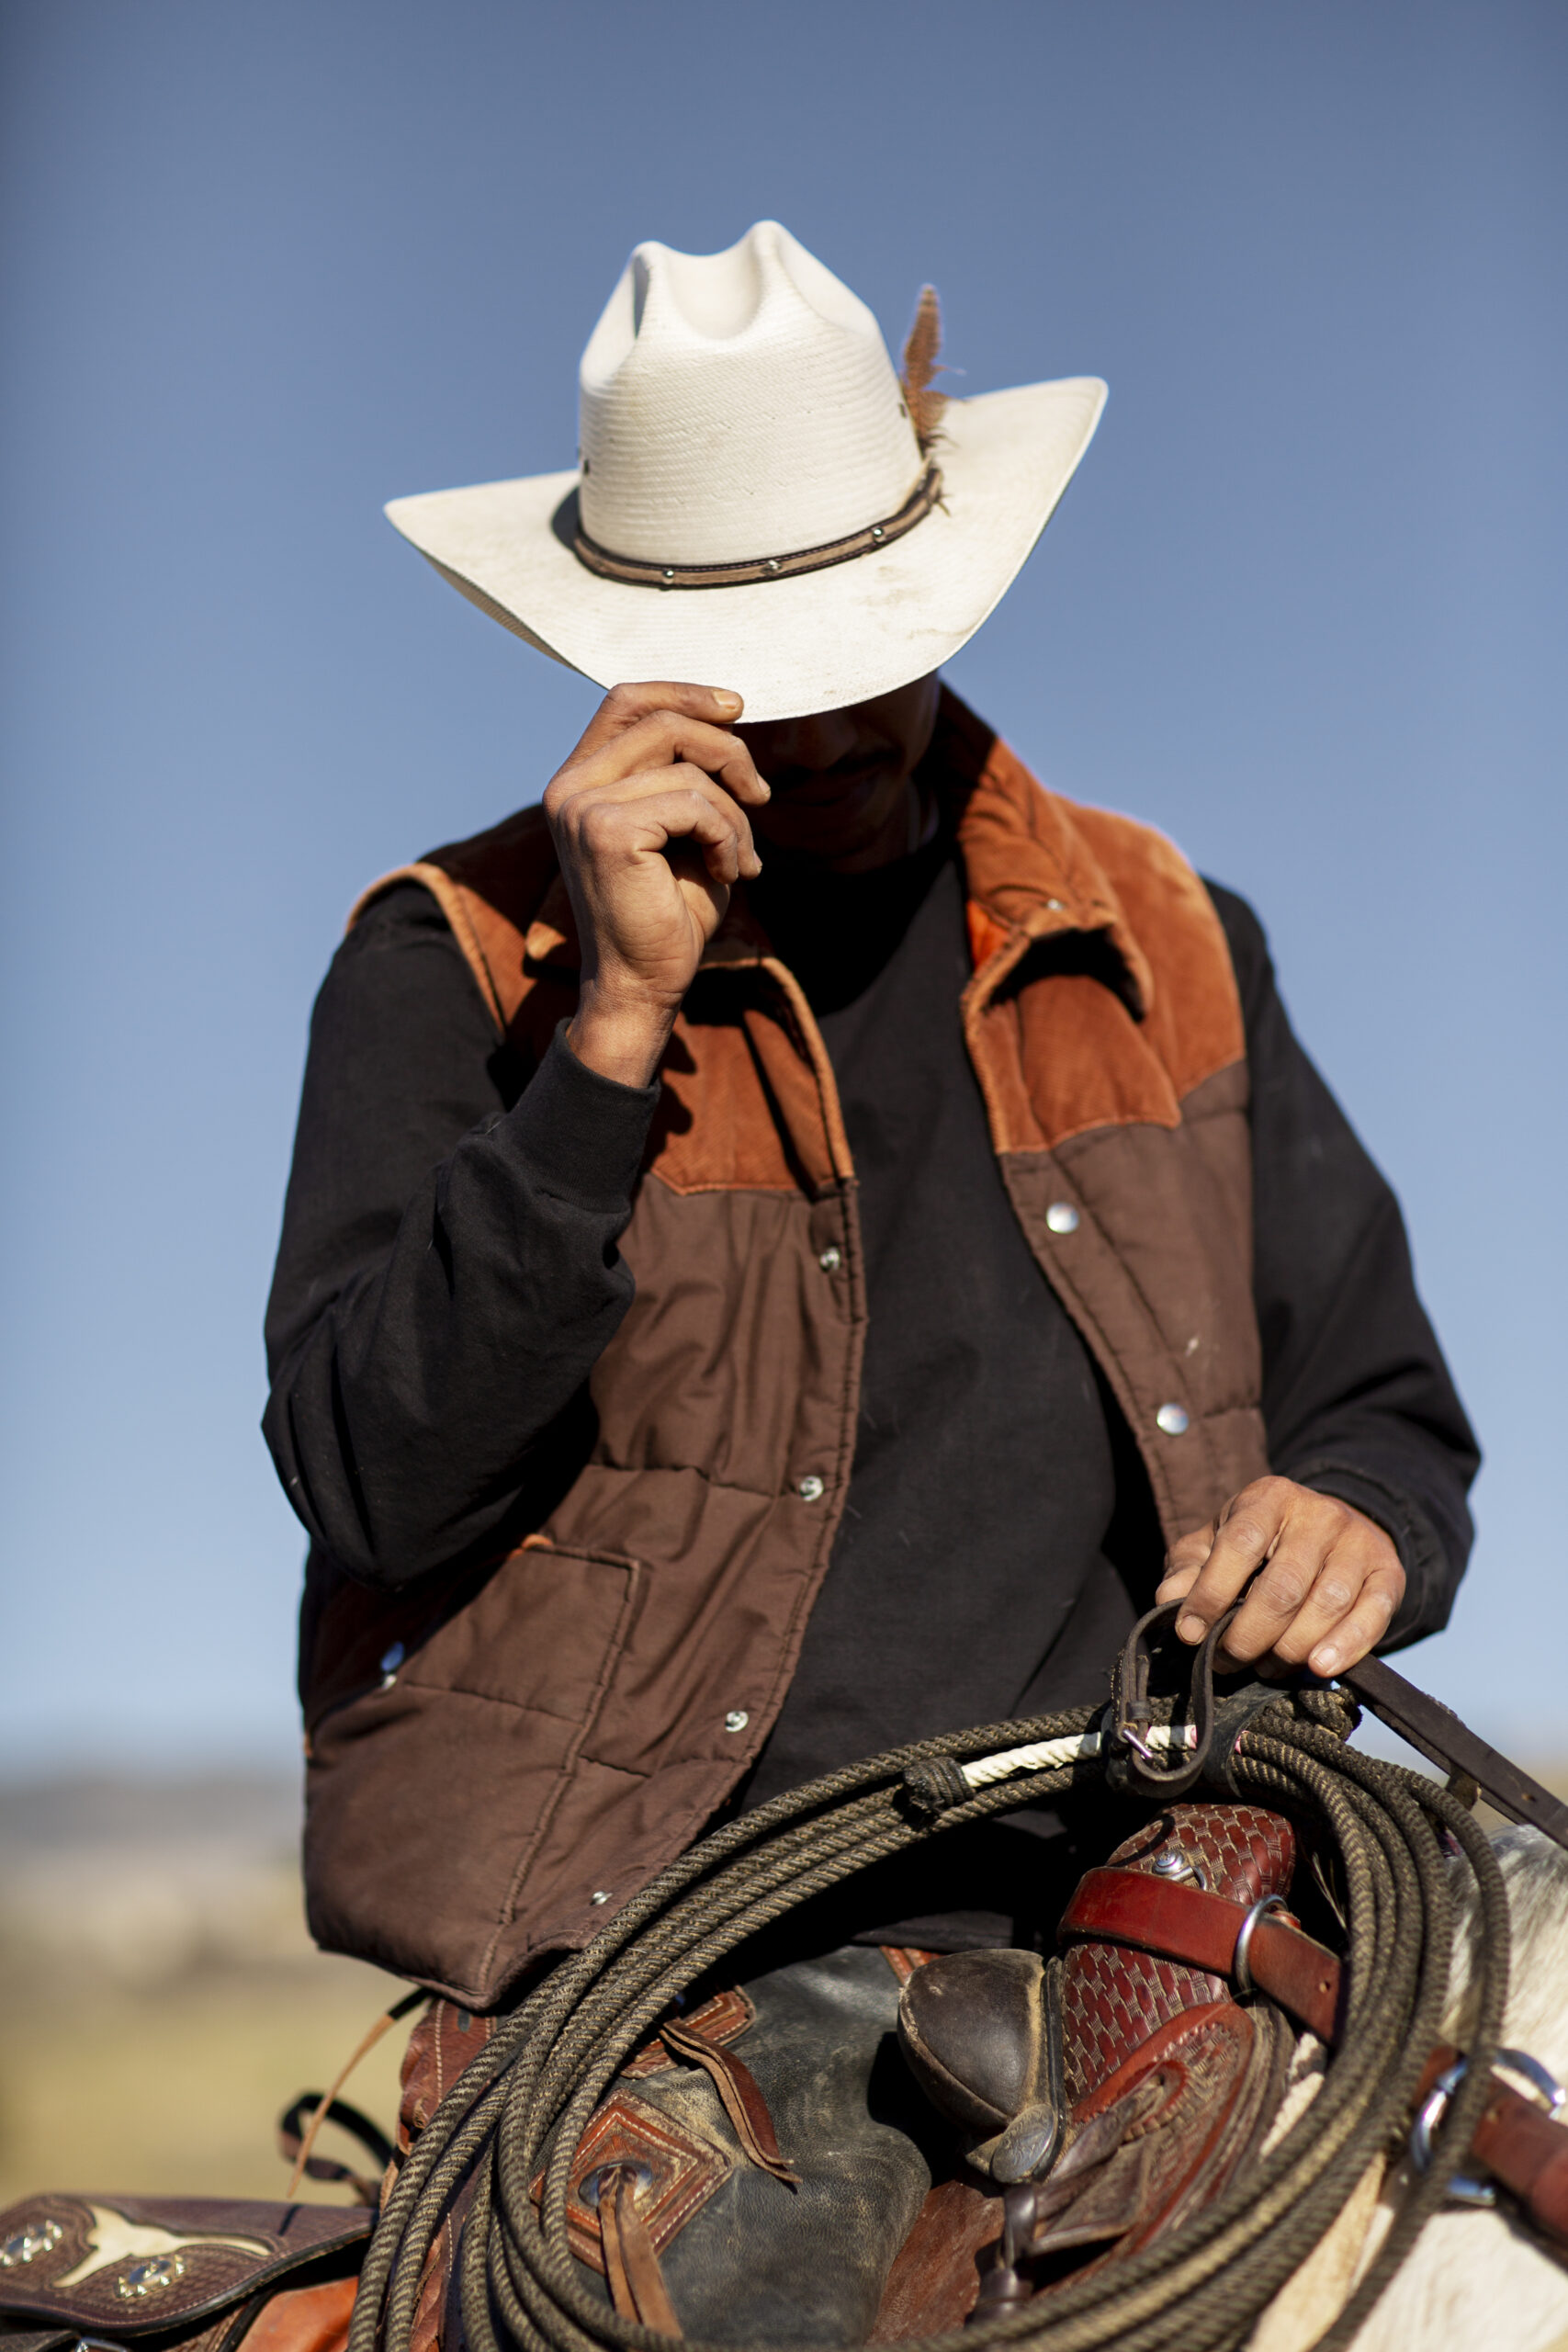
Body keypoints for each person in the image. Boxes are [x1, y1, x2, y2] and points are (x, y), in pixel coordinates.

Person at [263, 221, 1475, 2335]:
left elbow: (1376, 1399)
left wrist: (1349, 1518)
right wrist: (611, 1037)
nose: (819, 733)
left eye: (859, 654)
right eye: (759, 676)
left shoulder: (1165, 936)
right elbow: (376, 1474)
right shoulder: (451, 966)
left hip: (1164, 1870)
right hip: (670, 1934)